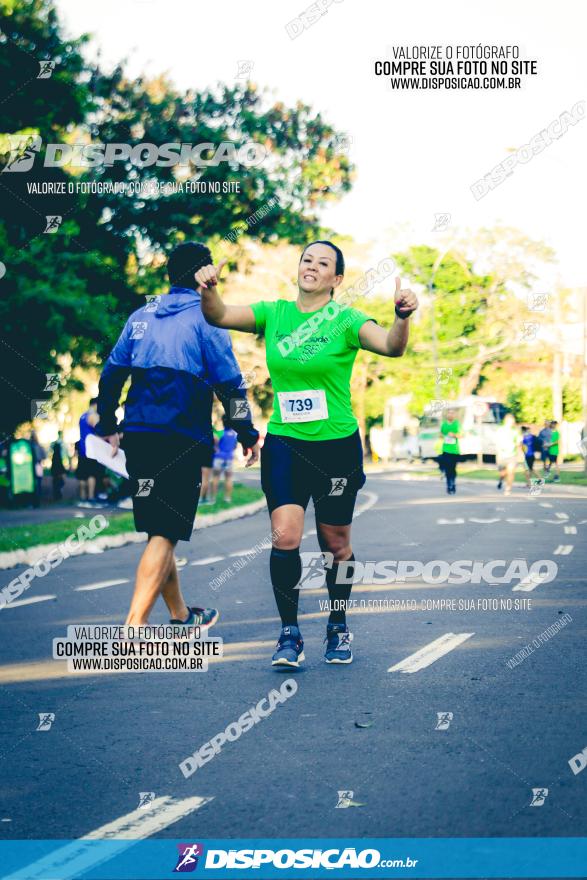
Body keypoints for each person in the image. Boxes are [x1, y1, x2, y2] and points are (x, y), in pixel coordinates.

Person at [197, 240, 418, 668]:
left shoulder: (347, 320)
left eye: (323, 263)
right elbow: (220, 314)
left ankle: (337, 624)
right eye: (307, 260)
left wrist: (402, 317)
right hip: (285, 444)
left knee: (336, 544)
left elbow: (392, 346)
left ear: (337, 280)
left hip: (336, 446)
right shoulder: (274, 314)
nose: (311, 267)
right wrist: (209, 287)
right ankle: (289, 634)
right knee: (286, 536)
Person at [96, 241, 260, 628]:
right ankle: (133, 627)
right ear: (206, 274)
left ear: (170, 274)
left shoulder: (142, 315)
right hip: (181, 439)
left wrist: (107, 424)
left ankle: (181, 614)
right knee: (166, 532)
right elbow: (230, 387)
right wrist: (248, 434)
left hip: (138, 435)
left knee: (159, 529)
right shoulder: (208, 319)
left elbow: (111, 374)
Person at [76, 398, 106, 507]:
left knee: (83, 475)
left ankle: (83, 499)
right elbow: (100, 430)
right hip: (92, 450)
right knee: (92, 474)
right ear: (96, 404)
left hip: (82, 449)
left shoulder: (82, 416)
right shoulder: (93, 415)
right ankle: (91, 498)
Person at [212, 415, 238, 504]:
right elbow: (234, 447)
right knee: (229, 478)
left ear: (223, 422)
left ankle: (213, 499)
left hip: (218, 458)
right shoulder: (235, 434)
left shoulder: (219, 433)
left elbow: (215, 446)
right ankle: (227, 498)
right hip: (229, 458)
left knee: (215, 478)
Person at [496, 413, 520, 496]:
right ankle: (501, 479)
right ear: (506, 421)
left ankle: (508, 488)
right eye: (511, 421)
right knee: (503, 473)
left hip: (512, 455)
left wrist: (519, 447)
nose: (512, 422)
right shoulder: (500, 430)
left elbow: (518, 443)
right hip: (502, 455)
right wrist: (498, 455)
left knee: (511, 472)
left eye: (513, 421)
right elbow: (497, 443)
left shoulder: (515, 431)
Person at [439, 407, 461, 495]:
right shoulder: (444, 424)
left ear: (454, 415)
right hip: (446, 449)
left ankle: (453, 482)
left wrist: (454, 435)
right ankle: (449, 485)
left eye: (452, 413)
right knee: (448, 469)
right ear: (447, 415)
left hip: (455, 450)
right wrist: (442, 436)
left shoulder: (457, 424)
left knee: (453, 469)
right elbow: (440, 434)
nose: (450, 415)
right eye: (449, 413)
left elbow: (461, 435)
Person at [29, 430, 46, 508]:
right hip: (35, 466)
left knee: (35, 484)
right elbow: (44, 456)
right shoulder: (37, 446)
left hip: (34, 466)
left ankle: (35, 502)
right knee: (36, 484)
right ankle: (36, 502)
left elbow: (43, 456)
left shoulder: (30, 445)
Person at [50, 431, 68, 501]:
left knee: (56, 479)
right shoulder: (63, 444)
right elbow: (65, 454)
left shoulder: (53, 443)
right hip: (60, 463)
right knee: (61, 479)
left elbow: (49, 452)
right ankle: (58, 492)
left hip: (55, 463)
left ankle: (57, 493)